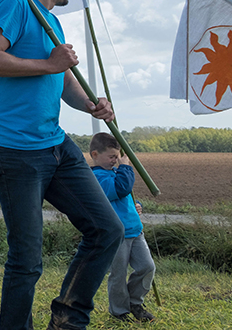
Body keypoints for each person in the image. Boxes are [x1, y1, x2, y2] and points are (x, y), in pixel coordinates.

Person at [0, 0, 123, 330]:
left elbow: (63, 82)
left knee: (107, 229)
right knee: (26, 258)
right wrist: (50, 63)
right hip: (13, 149)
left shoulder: (52, 23)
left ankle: (68, 321)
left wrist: (92, 105)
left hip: (55, 146)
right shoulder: (16, 5)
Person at [90, 133, 156, 323]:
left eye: (117, 157)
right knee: (118, 274)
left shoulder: (115, 173)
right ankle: (119, 311)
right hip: (116, 235)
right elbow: (119, 189)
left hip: (135, 230)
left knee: (147, 267)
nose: (115, 160)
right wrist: (126, 167)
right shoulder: (96, 177)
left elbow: (124, 196)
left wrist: (136, 205)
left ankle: (135, 302)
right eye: (111, 157)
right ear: (95, 154)